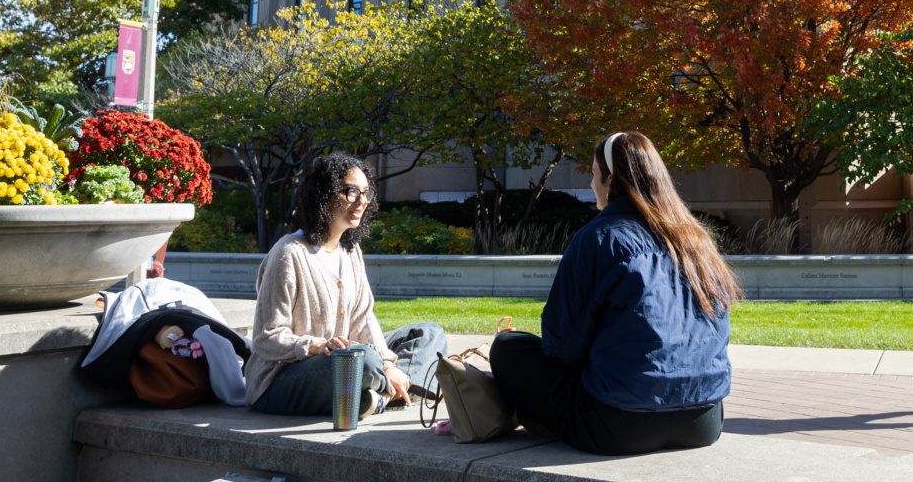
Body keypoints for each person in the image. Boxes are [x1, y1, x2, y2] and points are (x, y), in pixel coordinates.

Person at [490, 130, 739, 455]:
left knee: (507, 348)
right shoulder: (698, 241)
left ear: (612, 180)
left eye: (595, 174)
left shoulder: (599, 238)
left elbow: (561, 345)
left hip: (619, 424)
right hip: (704, 421)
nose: (591, 184)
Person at [245, 153, 446, 417]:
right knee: (360, 360)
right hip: (280, 379)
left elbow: (363, 319)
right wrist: (317, 346)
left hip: (342, 360)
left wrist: (388, 364)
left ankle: (378, 394)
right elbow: (266, 338)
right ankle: (389, 392)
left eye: (366, 193)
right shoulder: (289, 253)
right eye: (351, 192)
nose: (362, 201)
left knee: (429, 333)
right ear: (323, 194)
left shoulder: (350, 251)